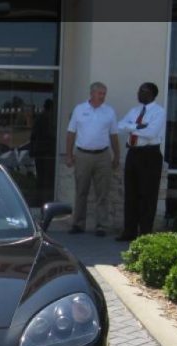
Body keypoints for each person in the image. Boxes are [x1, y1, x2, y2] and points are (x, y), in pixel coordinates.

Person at [65, 82, 121, 236]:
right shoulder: (79, 109)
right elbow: (71, 133)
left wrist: (117, 155)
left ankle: (101, 225)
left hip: (103, 155)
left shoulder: (109, 112)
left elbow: (114, 135)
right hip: (82, 155)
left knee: (102, 192)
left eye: (104, 93)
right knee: (81, 191)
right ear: (92, 93)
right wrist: (69, 155)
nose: (103, 96)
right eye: (100, 93)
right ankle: (78, 224)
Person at [116, 82, 165, 242]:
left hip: (149, 155)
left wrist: (132, 128)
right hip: (133, 153)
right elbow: (120, 126)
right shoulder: (134, 111)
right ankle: (129, 231)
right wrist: (138, 126)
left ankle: (145, 233)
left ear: (151, 93)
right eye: (139, 90)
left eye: (142, 91)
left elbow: (151, 133)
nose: (139, 93)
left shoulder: (159, 112)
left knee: (147, 195)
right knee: (131, 194)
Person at [29, 98, 57, 208]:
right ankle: (41, 201)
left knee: (43, 178)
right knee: (44, 179)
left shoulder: (42, 118)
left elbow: (33, 135)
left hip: (43, 152)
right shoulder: (45, 118)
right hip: (44, 152)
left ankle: (41, 200)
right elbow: (38, 135)